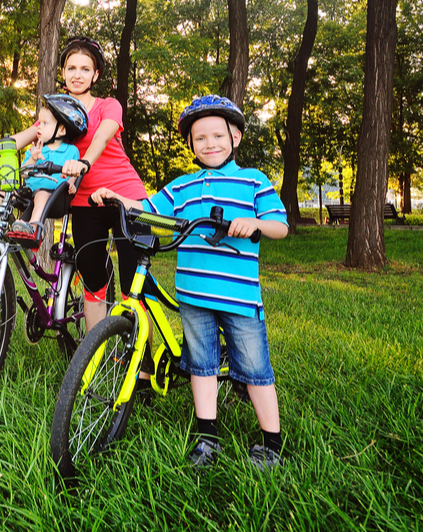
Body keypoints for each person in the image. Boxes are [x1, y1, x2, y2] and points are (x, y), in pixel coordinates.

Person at [91, 95, 288, 470]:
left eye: (218, 135)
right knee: (202, 365)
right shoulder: (183, 186)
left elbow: (279, 225)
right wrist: (116, 197)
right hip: (194, 295)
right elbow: (147, 208)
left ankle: (271, 441)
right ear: (191, 145)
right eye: (200, 138)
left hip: (239, 298)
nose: (210, 144)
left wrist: (256, 225)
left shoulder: (252, 181)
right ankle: (207, 436)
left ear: (236, 138)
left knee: (256, 369)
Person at [0, 36, 147, 332]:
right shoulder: (55, 113)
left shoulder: (108, 106)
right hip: (83, 201)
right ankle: (92, 360)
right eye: (71, 68)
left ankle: (143, 368)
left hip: (124, 195)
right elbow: (14, 141)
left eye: (84, 68)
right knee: (93, 281)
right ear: (63, 73)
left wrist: (84, 163)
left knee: (135, 285)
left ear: (96, 75)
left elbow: (103, 136)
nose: (77, 74)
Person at [0, 94, 88, 251]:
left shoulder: (71, 151)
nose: (38, 127)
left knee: (41, 195)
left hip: (53, 195)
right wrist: (33, 159)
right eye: (39, 122)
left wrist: (71, 184)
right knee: (4, 191)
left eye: (45, 123)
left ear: (61, 129)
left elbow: (74, 171)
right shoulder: (36, 150)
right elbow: (23, 173)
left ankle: (33, 227)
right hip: (28, 191)